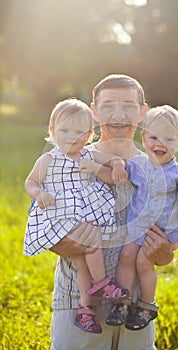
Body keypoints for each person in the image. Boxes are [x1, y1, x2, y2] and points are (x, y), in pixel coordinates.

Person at [25, 74, 174, 350]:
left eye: (129, 106)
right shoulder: (66, 160)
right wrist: (70, 242)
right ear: (93, 112)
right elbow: (42, 224)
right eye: (108, 105)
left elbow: (167, 248)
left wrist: (164, 252)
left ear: (142, 112)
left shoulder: (158, 170)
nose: (118, 115)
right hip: (77, 304)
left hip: (134, 307)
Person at [24, 98, 129, 334]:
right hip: (64, 215)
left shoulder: (88, 155)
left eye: (79, 131)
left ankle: (85, 310)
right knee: (92, 244)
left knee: (82, 264)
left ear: (90, 134)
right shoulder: (49, 159)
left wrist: (119, 165)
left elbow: (113, 162)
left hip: (85, 211)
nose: (71, 137)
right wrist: (38, 193)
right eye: (64, 130)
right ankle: (102, 285)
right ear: (52, 131)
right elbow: (30, 182)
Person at [106, 105, 178, 330]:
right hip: (137, 227)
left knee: (143, 262)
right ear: (143, 137)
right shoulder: (138, 165)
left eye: (169, 139)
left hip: (162, 232)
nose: (160, 144)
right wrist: (117, 164)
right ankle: (123, 301)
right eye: (153, 137)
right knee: (127, 255)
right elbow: (122, 169)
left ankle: (146, 306)